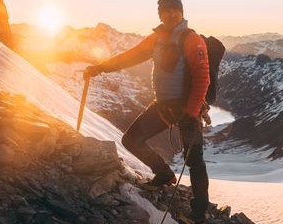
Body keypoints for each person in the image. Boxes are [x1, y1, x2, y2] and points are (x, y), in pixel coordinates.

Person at [84, 0, 210, 222]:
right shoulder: (157, 39)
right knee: (131, 139)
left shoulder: (191, 39)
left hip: (187, 110)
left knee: (195, 162)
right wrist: (101, 68)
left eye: (175, 10)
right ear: (160, 14)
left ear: (181, 12)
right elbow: (130, 56)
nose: (170, 14)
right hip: (163, 107)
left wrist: (191, 113)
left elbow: (202, 78)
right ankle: (163, 173)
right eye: (165, 10)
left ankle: (199, 212)